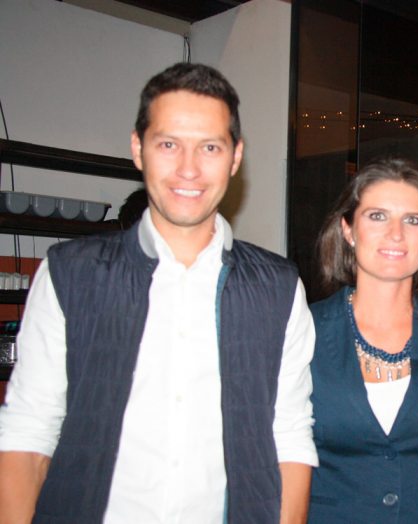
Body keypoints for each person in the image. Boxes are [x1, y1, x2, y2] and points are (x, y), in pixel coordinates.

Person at [0, 63, 317, 523]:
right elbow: (29, 433)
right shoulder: (70, 275)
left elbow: (289, 437)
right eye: (169, 144)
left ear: (235, 157)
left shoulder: (278, 288)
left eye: (210, 147)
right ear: (138, 149)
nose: (188, 168)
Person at [308, 157, 418, 523]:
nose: (396, 234)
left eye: (413, 220)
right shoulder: (304, 331)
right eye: (377, 216)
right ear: (348, 230)